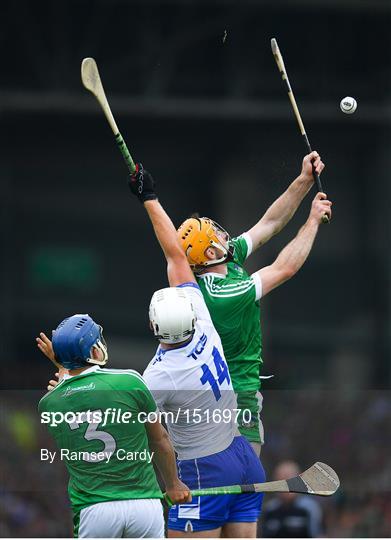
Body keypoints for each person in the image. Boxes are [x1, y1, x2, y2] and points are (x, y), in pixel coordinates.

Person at [127, 172, 266, 538]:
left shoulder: (158, 377)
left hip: (204, 469)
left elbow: (144, 434)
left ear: (155, 327)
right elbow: (175, 253)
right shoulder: (201, 316)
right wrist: (151, 199)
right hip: (241, 454)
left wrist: (68, 377)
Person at [176, 152, 331, 454]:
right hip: (233, 397)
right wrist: (313, 220)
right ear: (209, 254)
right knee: (245, 482)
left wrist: (304, 181)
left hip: (226, 394)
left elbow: (269, 224)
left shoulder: (224, 259)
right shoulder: (223, 295)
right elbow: (283, 268)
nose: (223, 234)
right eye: (216, 234)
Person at [37, 315, 190, 538]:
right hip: (144, 506)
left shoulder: (49, 404)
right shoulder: (130, 381)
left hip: (94, 510)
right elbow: (160, 439)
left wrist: (62, 369)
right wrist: (173, 484)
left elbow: (74, 394)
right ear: (95, 351)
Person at [260, 461, 324, 538]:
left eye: (287, 479)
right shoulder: (269, 509)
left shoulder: (309, 508)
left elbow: (319, 535)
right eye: (279, 480)